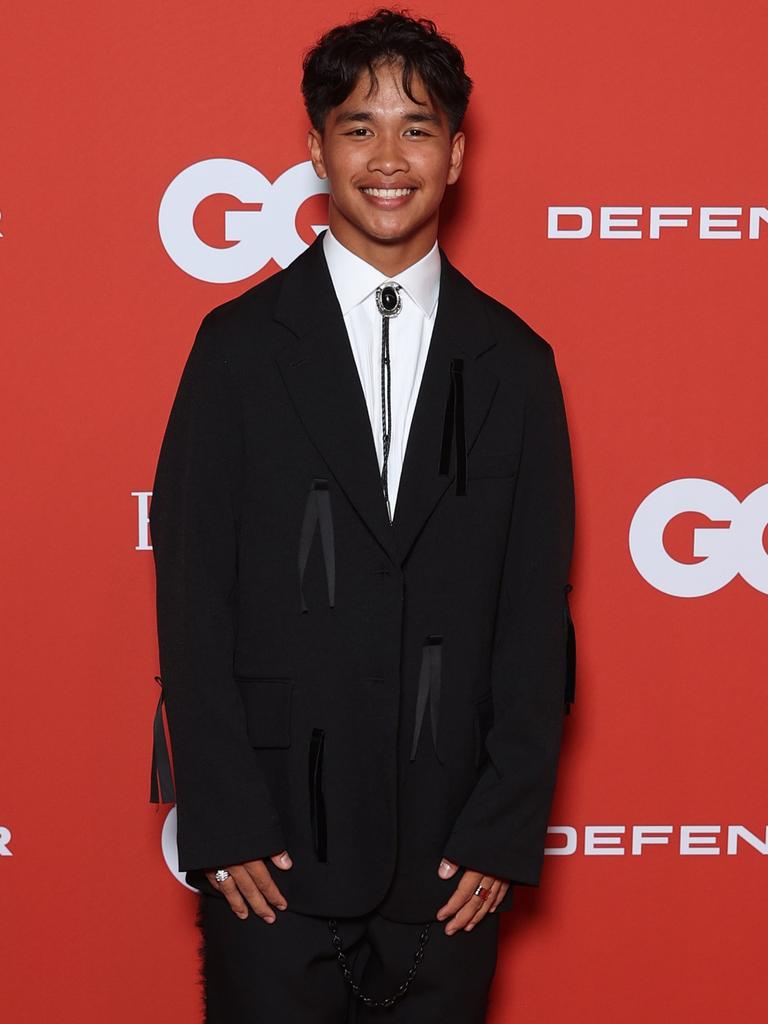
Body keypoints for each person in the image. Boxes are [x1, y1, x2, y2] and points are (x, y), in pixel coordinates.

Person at [149, 7, 576, 1022]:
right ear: (315, 149)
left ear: (457, 153)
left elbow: (533, 618)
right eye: (358, 126)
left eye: (417, 127)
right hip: (274, 857)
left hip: (450, 863)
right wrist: (223, 819)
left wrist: (501, 829)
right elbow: (192, 589)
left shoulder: (516, 365)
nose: (389, 157)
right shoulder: (238, 349)